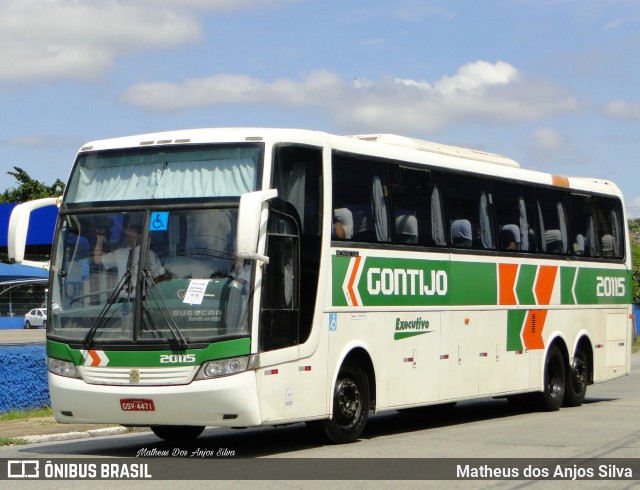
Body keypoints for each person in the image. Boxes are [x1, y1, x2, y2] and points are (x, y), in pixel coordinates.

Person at [93, 224, 167, 297]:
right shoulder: (120, 253)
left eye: (132, 236)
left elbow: (159, 277)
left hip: (142, 300)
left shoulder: (149, 255)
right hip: (123, 300)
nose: (128, 238)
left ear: (141, 237)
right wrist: (99, 239)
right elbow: (97, 260)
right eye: (127, 236)